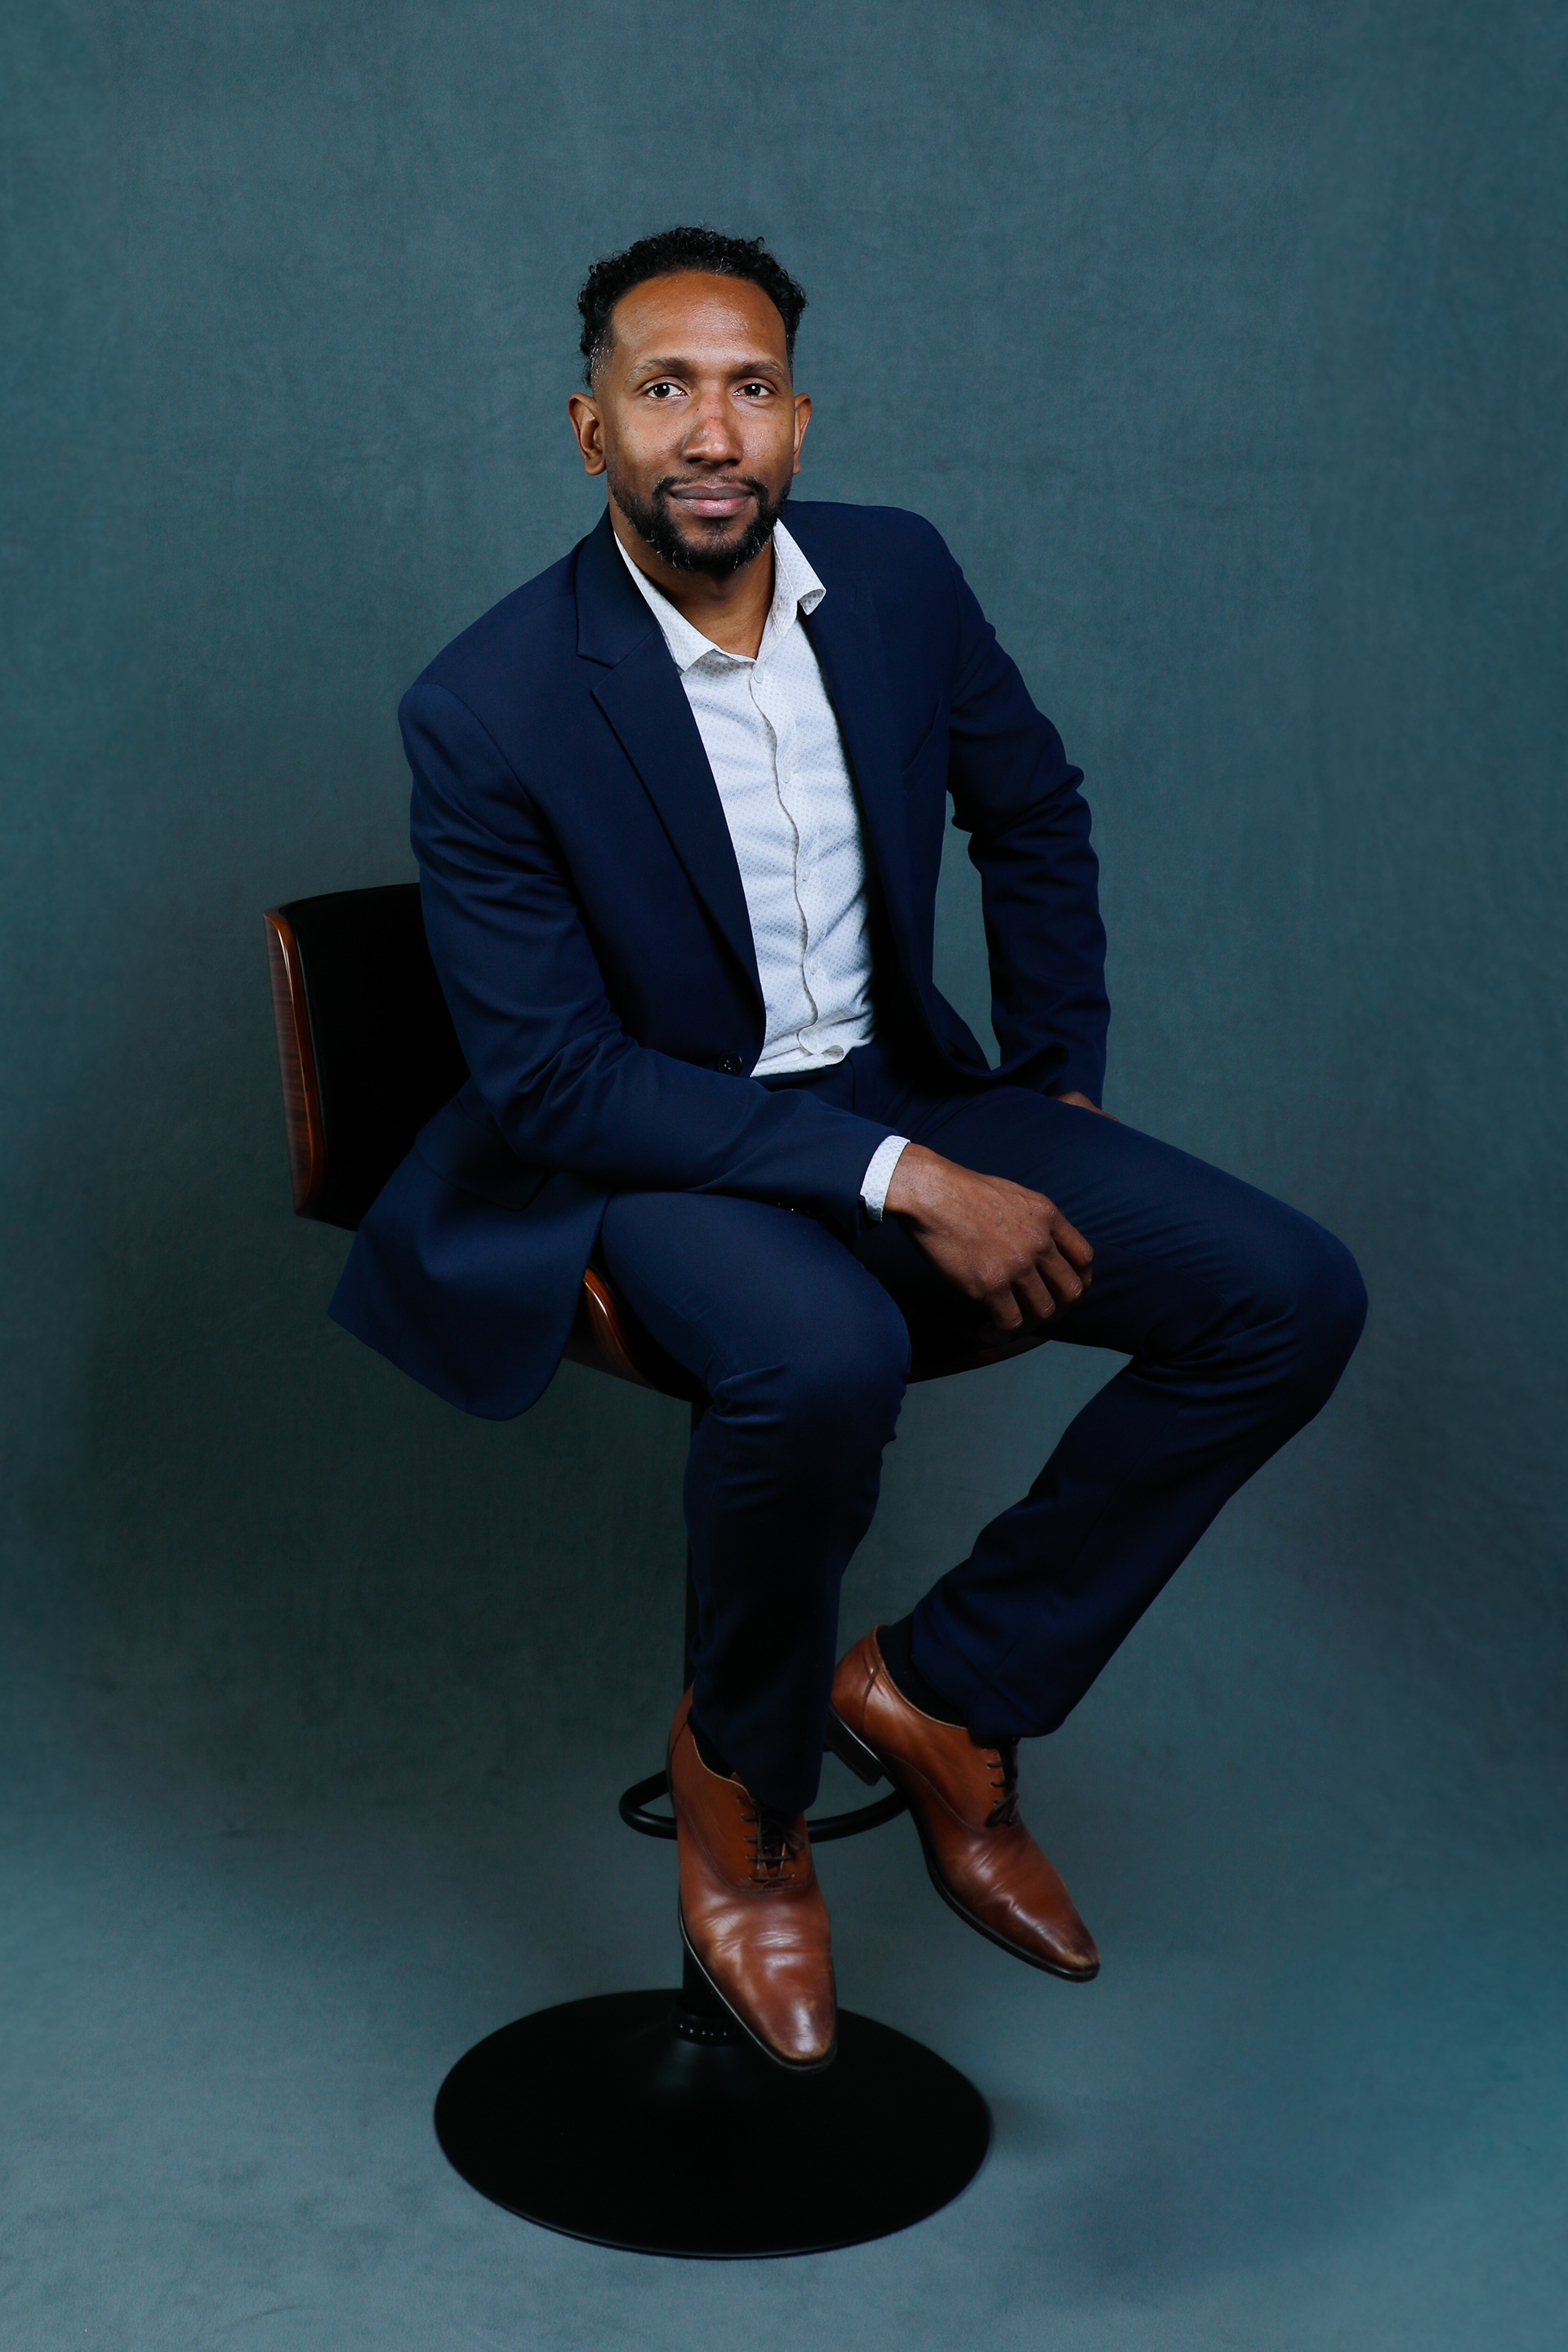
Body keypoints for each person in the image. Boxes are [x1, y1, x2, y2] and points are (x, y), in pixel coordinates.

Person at [331, 226, 1366, 2073]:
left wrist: (1053, 1088)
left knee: (1288, 1295)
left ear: (800, 420)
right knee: (826, 1353)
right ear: (589, 429)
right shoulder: (486, 704)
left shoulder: (895, 578)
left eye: (749, 387)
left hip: (903, 1082)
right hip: (651, 1142)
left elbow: (1032, 810)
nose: (709, 430)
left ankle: (951, 1692)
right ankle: (747, 1791)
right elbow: (559, 1081)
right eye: (664, 389)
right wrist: (910, 1182)